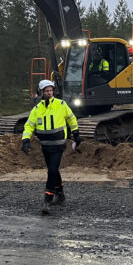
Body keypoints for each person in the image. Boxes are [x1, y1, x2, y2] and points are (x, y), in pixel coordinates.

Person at [21, 79, 81, 214]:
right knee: (53, 170)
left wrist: (76, 133)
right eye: (46, 91)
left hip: (59, 145)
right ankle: (60, 194)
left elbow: (71, 118)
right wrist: (25, 140)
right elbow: (29, 125)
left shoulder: (61, 104)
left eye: (51, 90)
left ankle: (47, 199)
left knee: (52, 171)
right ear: (41, 93)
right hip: (46, 146)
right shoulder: (37, 110)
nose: (49, 93)